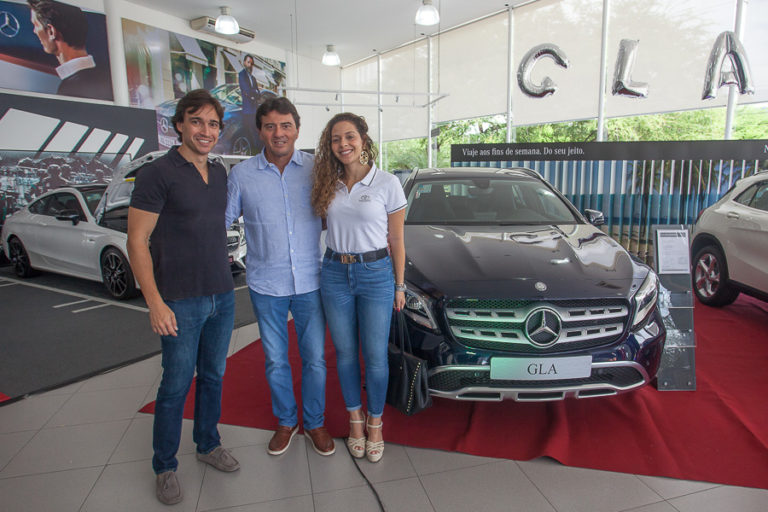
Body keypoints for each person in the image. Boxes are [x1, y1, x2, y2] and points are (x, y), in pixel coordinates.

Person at [127, 89, 240, 506]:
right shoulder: (158, 173)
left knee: (214, 376)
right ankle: (165, 466)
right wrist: (155, 302)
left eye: (213, 124)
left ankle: (208, 444)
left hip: (221, 294)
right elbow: (137, 240)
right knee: (175, 385)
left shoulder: (221, 172)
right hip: (178, 299)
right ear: (179, 125)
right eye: (197, 121)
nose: (206, 130)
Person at [225, 96, 335, 457]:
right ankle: (287, 421)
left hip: (310, 281)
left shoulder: (317, 168)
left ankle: (315, 422)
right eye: (270, 126)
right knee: (275, 360)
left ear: (297, 129)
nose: (278, 133)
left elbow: (337, 214)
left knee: (315, 359)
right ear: (260, 131)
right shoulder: (241, 175)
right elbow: (222, 221)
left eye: (285, 125)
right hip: (265, 283)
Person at [310, 113, 406, 463]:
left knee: (375, 356)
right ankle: (355, 420)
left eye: (350, 136)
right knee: (346, 353)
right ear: (329, 145)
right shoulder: (327, 183)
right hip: (334, 273)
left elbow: (397, 239)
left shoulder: (387, 183)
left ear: (363, 139)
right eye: (336, 139)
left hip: (376, 274)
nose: (343, 144)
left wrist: (399, 285)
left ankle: (376, 422)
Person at [27, 0, 113, 101]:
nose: (34, 31)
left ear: (51, 31)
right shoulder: (107, 79)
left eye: (36, 25)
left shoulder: (69, 89)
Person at [238, 53, 260, 144]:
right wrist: (254, 92)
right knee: (248, 133)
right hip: (247, 110)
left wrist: (254, 93)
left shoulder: (253, 78)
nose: (250, 65)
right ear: (244, 63)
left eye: (251, 63)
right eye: (248, 62)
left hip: (254, 110)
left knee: (255, 132)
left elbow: (258, 93)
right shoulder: (242, 75)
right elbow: (246, 89)